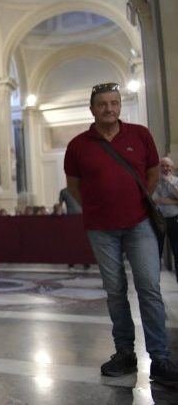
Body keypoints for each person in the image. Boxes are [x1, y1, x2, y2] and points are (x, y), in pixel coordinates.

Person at [64, 82, 178, 386]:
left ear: (119, 106)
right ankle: (125, 352)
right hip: (101, 229)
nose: (109, 108)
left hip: (139, 223)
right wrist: (97, 205)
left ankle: (160, 358)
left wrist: (136, 199)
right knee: (115, 291)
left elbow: (152, 173)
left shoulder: (140, 135)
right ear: (92, 109)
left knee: (149, 289)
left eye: (114, 103)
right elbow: (73, 185)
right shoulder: (78, 145)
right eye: (102, 104)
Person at [153, 156, 178, 282]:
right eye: (162, 165)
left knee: (177, 251)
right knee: (156, 252)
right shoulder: (154, 182)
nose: (165, 168)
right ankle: (154, 282)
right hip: (159, 221)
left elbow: (161, 200)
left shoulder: (176, 181)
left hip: (175, 220)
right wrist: (174, 201)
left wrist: (168, 182)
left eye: (167, 165)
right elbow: (155, 200)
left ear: (172, 168)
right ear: (159, 168)